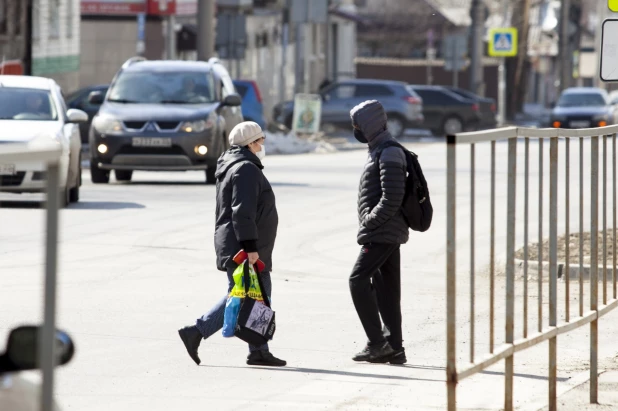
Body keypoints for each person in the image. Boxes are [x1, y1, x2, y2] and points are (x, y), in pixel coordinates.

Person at [178, 121, 286, 367]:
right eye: (260, 140)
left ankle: (258, 350)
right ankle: (196, 331)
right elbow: (242, 212)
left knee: (252, 295)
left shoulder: (237, 165)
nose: (262, 145)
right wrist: (250, 248)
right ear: (250, 143)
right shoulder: (245, 169)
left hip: (244, 245)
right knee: (247, 295)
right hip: (243, 246)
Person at [348, 100, 409, 364]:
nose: (355, 130)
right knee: (387, 289)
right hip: (386, 231)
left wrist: (370, 222)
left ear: (369, 125)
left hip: (382, 231)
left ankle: (377, 343)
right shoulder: (379, 149)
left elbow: (393, 196)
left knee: (357, 280)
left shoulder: (389, 152)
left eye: (357, 125)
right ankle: (395, 347)